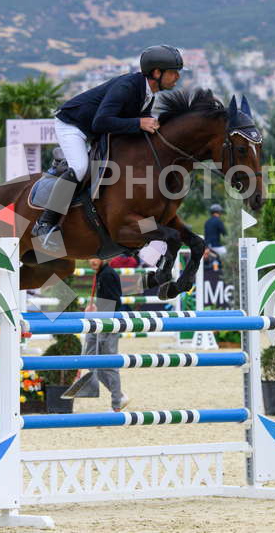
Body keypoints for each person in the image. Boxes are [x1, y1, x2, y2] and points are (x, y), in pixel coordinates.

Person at [31, 45, 185, 252]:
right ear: (157, 73)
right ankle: (45, 223)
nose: (177, 77)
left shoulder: (148, 93)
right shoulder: (127, 87)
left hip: (95, 131)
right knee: (80, 168)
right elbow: (100, 122)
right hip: (73, 125)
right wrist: (139, 123)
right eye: (173, 72)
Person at [80, 257, 130, 411]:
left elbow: (115, 300)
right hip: (99, 320)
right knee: (90, 361)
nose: (92, 261)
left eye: (96, 257)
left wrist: (100, 313)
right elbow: (106, 298)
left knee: (109, 364)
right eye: (90, 257)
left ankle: (116, 404)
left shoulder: (108, 274)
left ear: (104, 258)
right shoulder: (100, 273)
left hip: (108, 323)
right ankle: (119, 395)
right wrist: (95, 307)